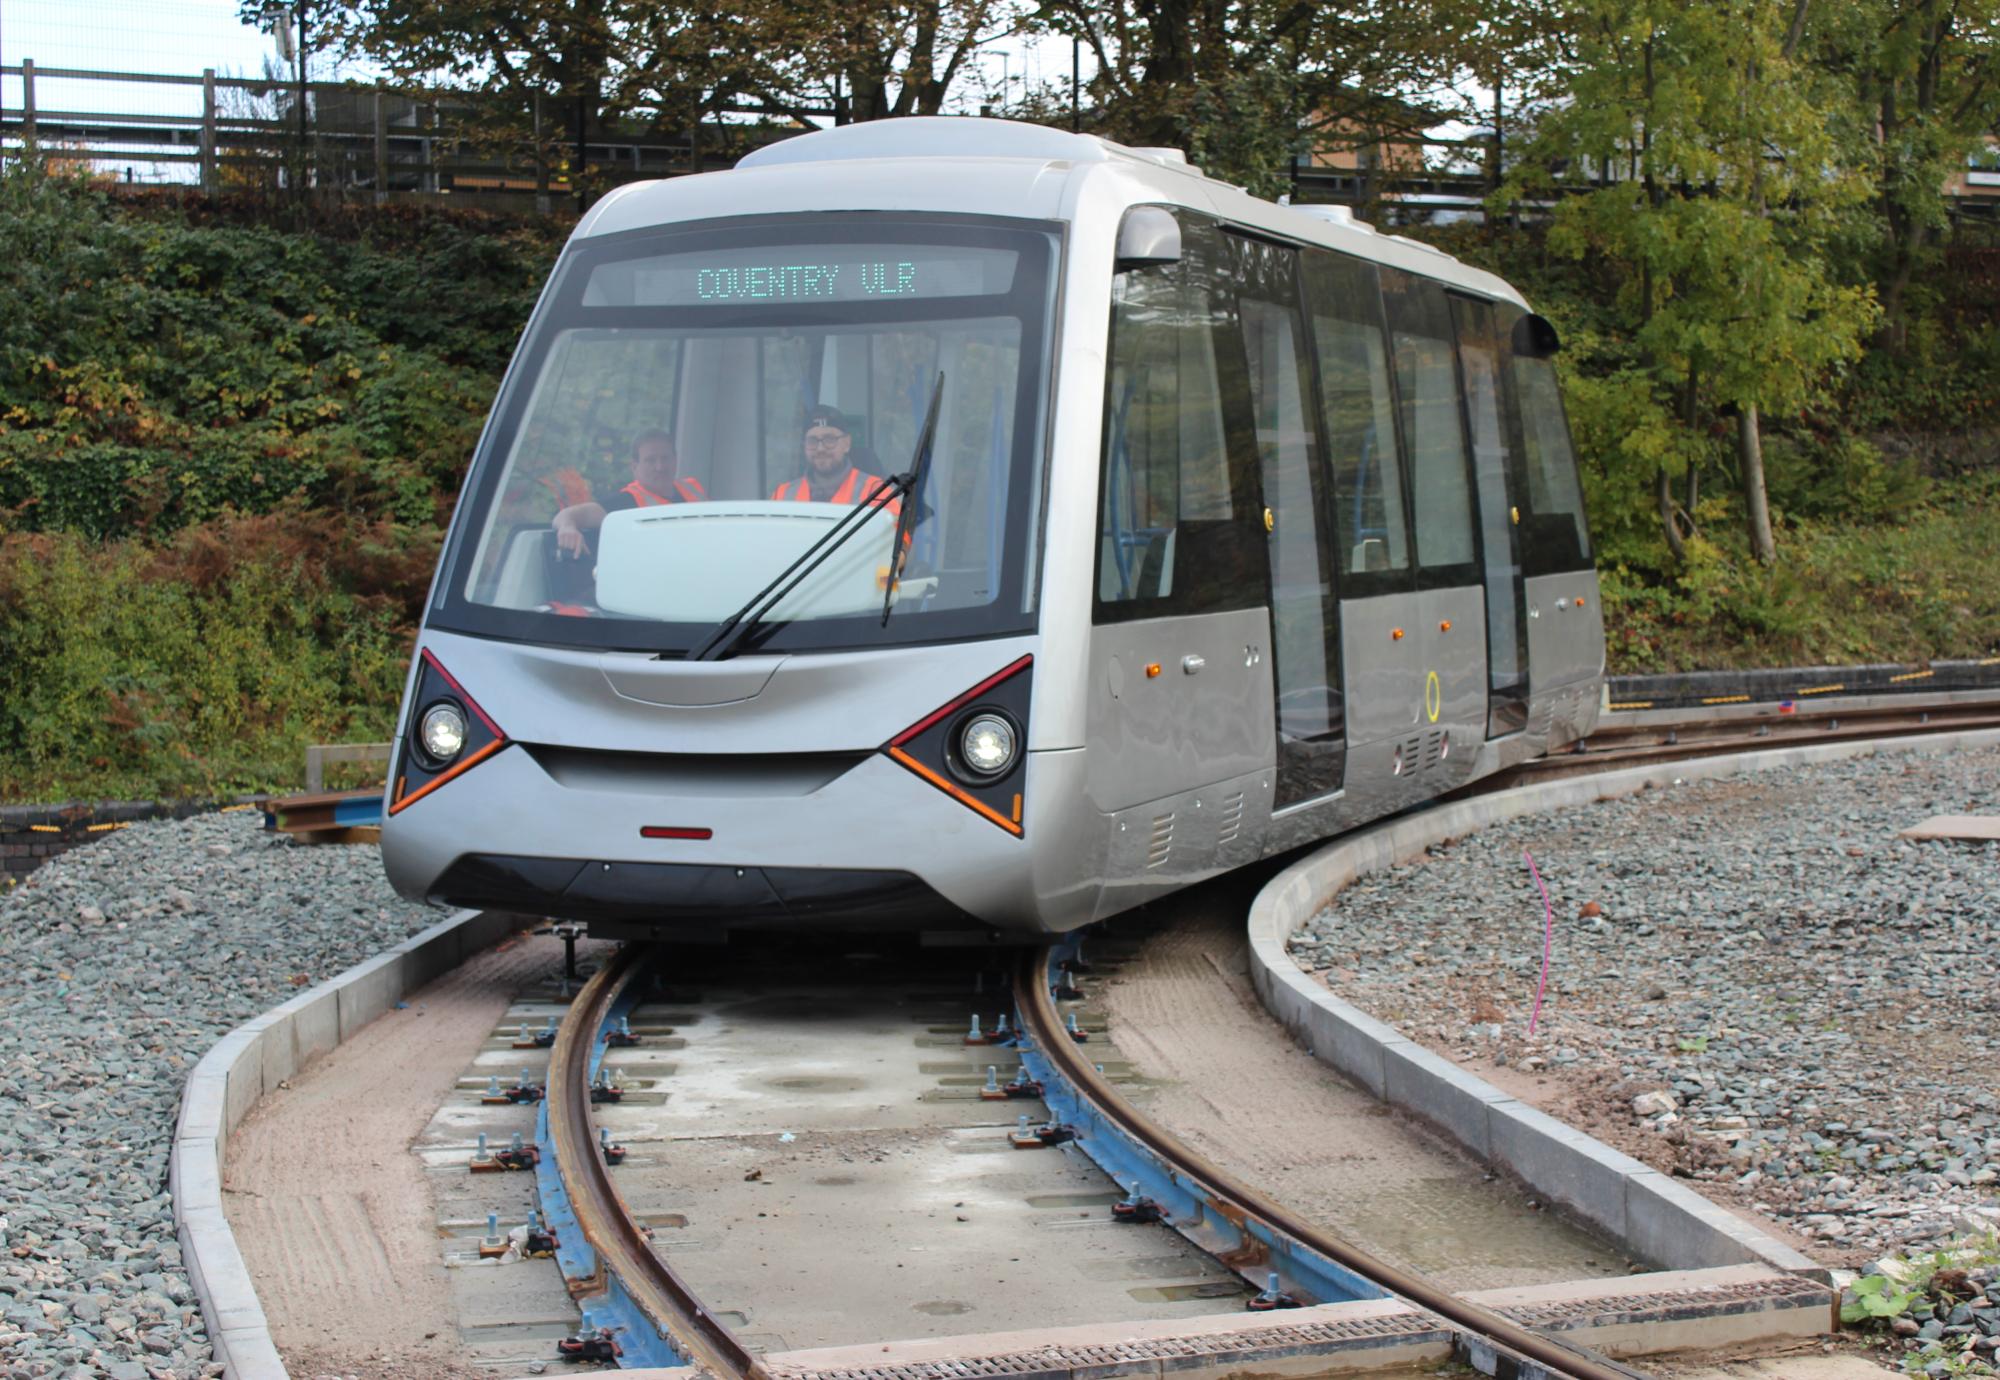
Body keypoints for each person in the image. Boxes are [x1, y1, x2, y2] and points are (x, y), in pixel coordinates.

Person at [553, 429, 704, 560]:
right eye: (650, 460)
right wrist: (567, 528)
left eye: (665, 458)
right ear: (634, 467)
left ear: (675, 460)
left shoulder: (692, 488)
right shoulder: (626, 502)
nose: (660, 467)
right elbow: (566, 516)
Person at [771, 407, 901, 518]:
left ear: (847, 443)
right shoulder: (782, 494)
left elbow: (897, 539)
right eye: (812, 441)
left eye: (829, 439)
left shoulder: (875, 491)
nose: (820, 448)